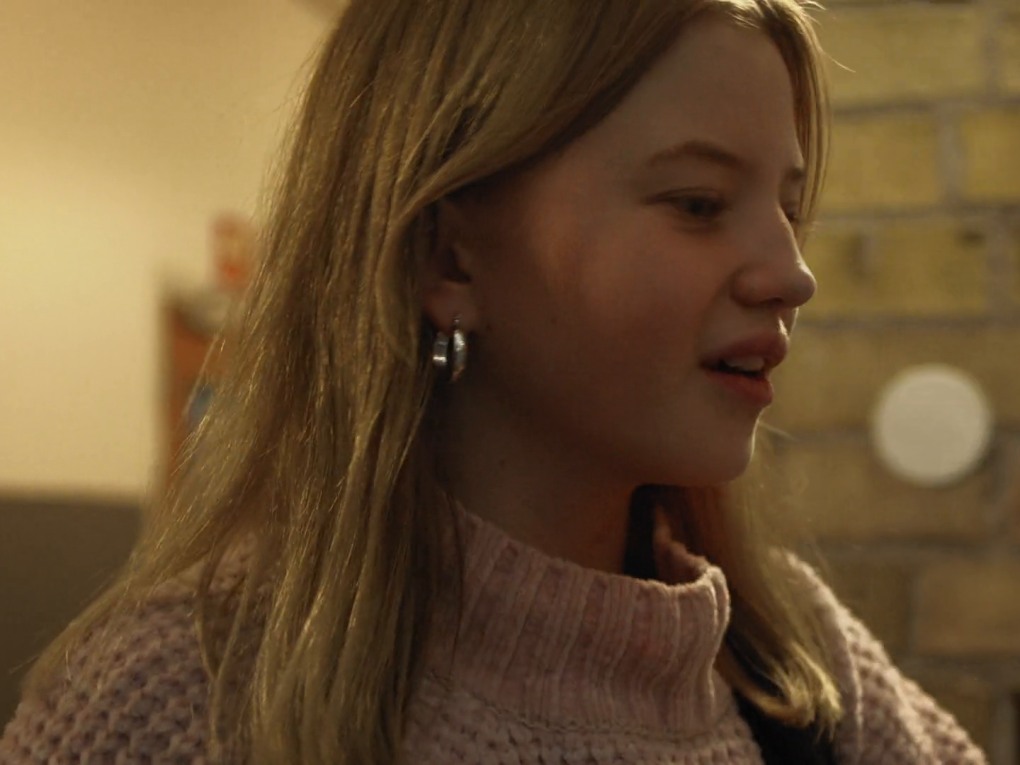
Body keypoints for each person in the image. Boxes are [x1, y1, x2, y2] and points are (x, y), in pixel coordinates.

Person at [0, 0, 989, 763]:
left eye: (788, 208)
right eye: (698, 203)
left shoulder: (800, 673)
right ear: (450, 260)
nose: (791, 274)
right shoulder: (183, 703)